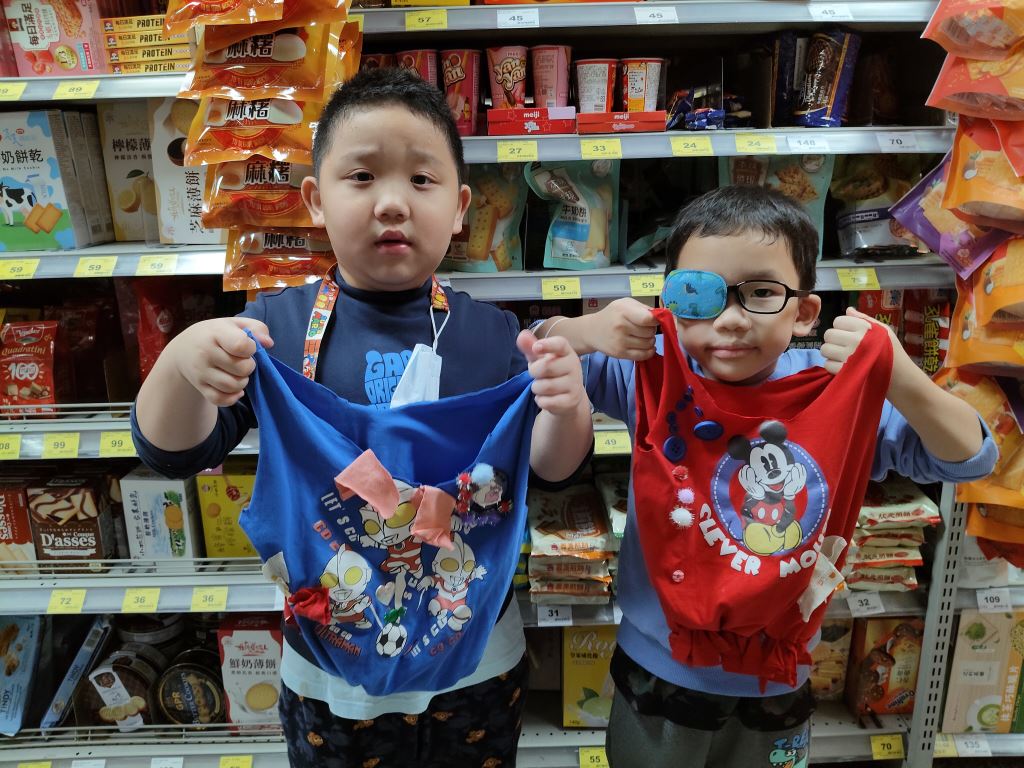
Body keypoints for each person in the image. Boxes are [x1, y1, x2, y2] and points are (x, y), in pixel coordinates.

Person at [132, 67, 593, 767]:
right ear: (315, 201)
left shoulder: (495, 336)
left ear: (460, 208)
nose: (392, 202)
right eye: (362, 177)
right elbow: (172, 452)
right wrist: (181, 362)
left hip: (474, 657)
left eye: (422, 180)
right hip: (328, 659)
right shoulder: (272, 330)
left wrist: (568, 404)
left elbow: (552, 472)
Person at [533, 186, 997, 768]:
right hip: (657, 667)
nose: (729, 320)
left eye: (760, 293)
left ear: (804, 312)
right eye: (699, 293)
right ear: (670, 302)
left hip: (779, 675)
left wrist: (897, 373)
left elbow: (971, 457)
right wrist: (586, 330)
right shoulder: (648, 370)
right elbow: (535, 346)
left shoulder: (838, 392)